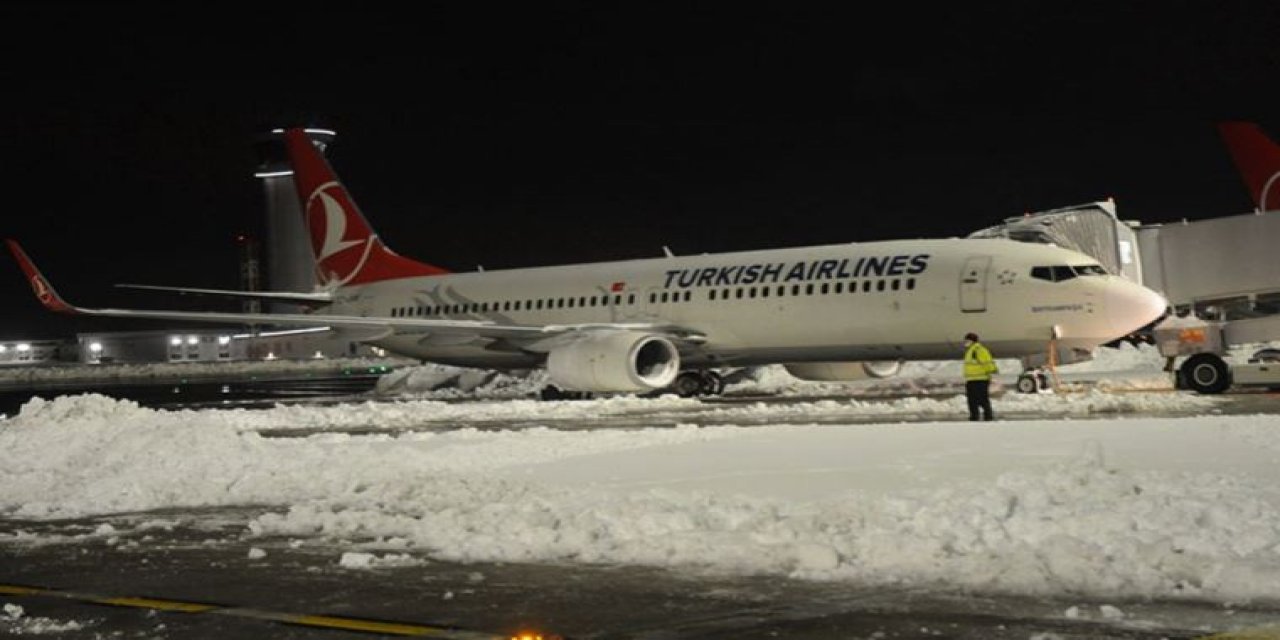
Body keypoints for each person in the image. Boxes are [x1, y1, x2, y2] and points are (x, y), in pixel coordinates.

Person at [962, 332, 998, 421]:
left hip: (980, 380)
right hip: (972, 380)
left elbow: (987, 362)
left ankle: (988, 417)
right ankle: (974, 417)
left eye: (967, 341)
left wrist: (992, 371)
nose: (966, 342)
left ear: (973, 341)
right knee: (972, 401)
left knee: (982, 400)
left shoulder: (978, 350)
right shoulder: (970, 350)